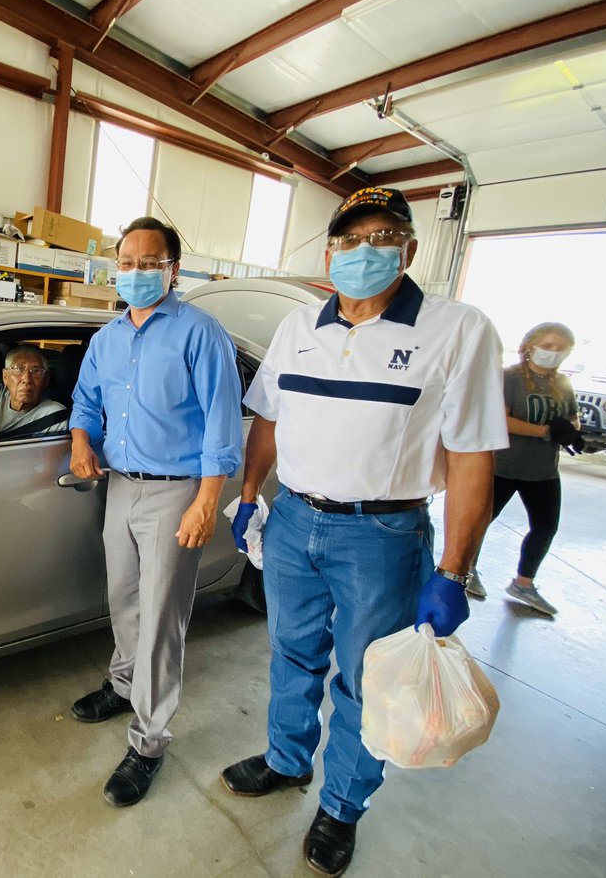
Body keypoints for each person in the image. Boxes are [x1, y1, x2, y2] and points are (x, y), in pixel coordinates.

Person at [220, 187, 508, 876]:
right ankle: (288, 761)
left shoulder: (458, 330)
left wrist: (454, 570)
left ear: (409, 249)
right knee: (291, 654)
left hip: (381, 535)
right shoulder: (299, 326)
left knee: (365, 679)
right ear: (330, 251)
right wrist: (250, 496)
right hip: (293, 521)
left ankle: (342, 806)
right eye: (349, 240)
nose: (363, 252)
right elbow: (270, 418)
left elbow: (473, 458)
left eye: (382, 237)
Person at [68, 216, 243, 807]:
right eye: (128, 262)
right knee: (123, 598)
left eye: (150, 262)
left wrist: (206, 501)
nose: (137, 273)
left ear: (172, 269)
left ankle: (147, 741)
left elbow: (221, 422)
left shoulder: (201, 333)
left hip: (177, 490)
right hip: (121, 485)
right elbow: (87, 400)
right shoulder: (107, 338)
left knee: (163, 616)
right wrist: (79, 441)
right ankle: (122, 685)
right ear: (114, 267)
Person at [468, 322, 580, 616]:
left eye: (560, 348)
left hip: (543, 470)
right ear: (530, 346)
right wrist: (545, 431)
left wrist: (568, 430)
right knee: (481, 520)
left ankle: (524, 582)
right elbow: (501, 419)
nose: (553, 353)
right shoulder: (510, 379)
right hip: (503, 464)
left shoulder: (562, 384)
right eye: (548, 346)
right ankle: (466, 569)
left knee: (545, 527)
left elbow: (572, 419)